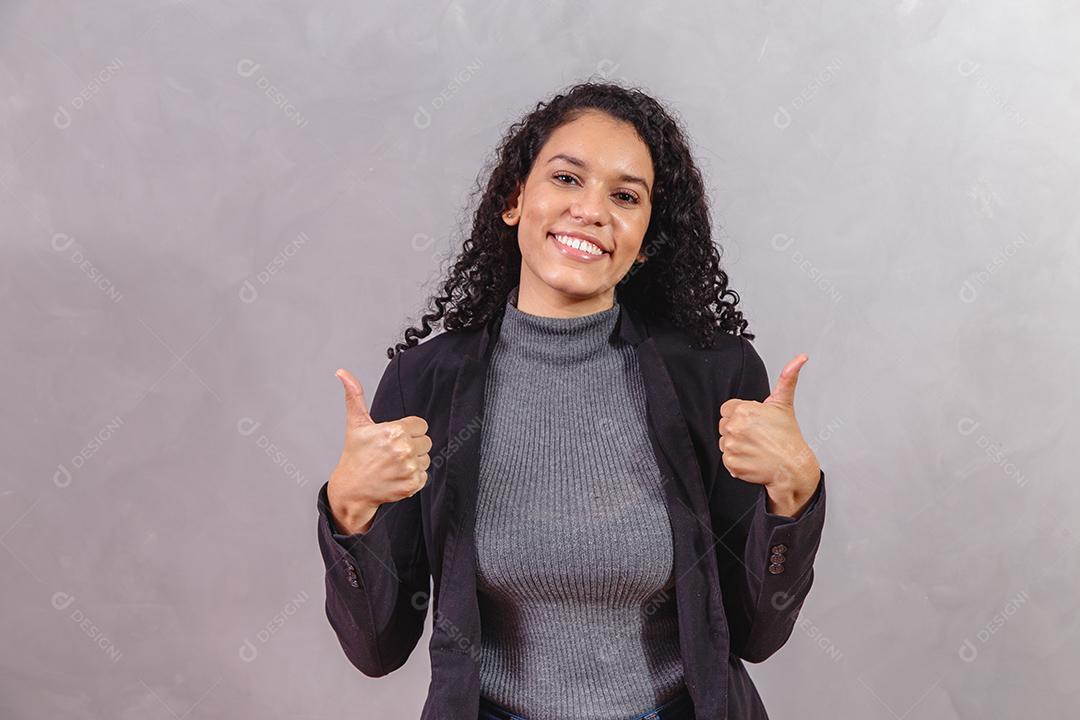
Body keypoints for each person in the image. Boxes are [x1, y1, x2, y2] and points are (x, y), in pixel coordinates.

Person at [318, 80, 827, 720]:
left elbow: (756, 633)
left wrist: (795, 495)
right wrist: (349, 509)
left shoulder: (713, 378)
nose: (591, 210)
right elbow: (376, 647)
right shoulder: (427, 384)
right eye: (566, 179)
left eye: (625, 196)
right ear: (514, 199)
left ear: (646, 237)